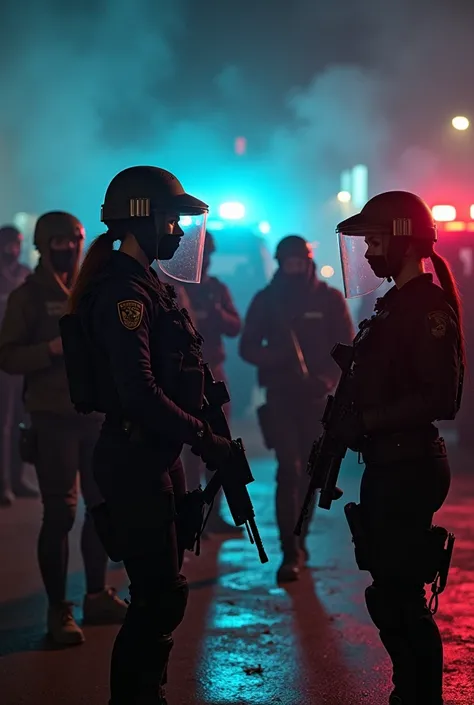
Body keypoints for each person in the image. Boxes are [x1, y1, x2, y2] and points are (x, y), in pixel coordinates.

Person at [67, 166, 234, 705]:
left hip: (154, 454)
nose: (180, 233)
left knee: (162, 595)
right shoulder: (124, 293)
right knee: (157, 598)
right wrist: (202, 437)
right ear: (142, 221)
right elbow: (137, 392)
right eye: (171, 221)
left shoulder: (146, 286)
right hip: (135, 456)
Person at [334, 191, 464, 705]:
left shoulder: (427, 309)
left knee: (402, 598)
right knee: (388, 594)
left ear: (404, 241)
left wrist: (367, 420)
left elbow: (441, 397)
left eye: (375, 240)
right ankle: (406, 691)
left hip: (411, 466)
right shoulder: (392, 305)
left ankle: (419, 696)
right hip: (389, 463)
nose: (367, 252)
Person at [0, 212, 127, 645]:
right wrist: (50, 350)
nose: (68, 250)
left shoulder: (90, 290)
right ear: (42, 245)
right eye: (57, 243)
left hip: (93, 418)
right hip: (52, 419)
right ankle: (58, 609)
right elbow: (9, 356)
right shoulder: (29, 297)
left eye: (73, 241)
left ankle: (95, 595)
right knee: (59, 514)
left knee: (101, 508)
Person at [239, 235, 354, 582]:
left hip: (317, 399)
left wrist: (327, 379)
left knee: (309, 475)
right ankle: (289, 552)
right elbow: (246, 347)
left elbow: (347, 348)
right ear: (280, 263)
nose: (294, 268)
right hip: (280, 399)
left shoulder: (329, 298)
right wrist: (276, 359)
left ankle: (300, 543)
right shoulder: (266, 300)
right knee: (287, 470)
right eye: (288, 263)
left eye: (299, 262)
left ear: (308, 262)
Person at [181, 230, 242, 534]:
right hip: (183, 376)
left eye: (208, 255)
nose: (205, 261)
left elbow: (235, 326)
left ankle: (212, 514)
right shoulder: (174, 289)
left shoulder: (216, 289)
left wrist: (215, 313)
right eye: (201, 255)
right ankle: (191, 513)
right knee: (188, 448)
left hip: (213, 373)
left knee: (217, 446)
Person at [0, 225, 38, 505]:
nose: (14, 248)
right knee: (4, 423)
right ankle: (3, 484)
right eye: (10, 243)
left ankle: (17, 478)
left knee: (21, 423)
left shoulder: (26, 273)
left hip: (23, 358)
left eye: (17, 243)